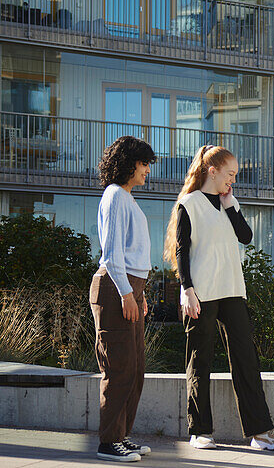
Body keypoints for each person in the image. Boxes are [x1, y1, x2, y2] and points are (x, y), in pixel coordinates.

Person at [163, 145, 274, 451]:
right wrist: (187, 289)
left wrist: (232, 205)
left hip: (232, 289)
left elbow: (245, 236)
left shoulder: (227, 203)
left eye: (235, 175)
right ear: (212, 170)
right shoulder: (189, 203)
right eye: (230, 174)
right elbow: (182, 250)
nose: (233, 180)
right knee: (199, 360)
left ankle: (260, 432)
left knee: (247, 360)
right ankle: (200, 430)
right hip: (201, 293)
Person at [92, 136, 157, 463]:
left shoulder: (127, 198)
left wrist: (138, 294)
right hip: (115, 287)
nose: (147, 170)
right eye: (143, 163)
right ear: (127, 163)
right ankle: (108, 442)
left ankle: (121, 436)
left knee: (135, 369)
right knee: (119, 368)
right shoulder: (115, 195)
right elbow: (113, 254)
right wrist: (127, 292)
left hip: (130, 288)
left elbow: (131, 255)